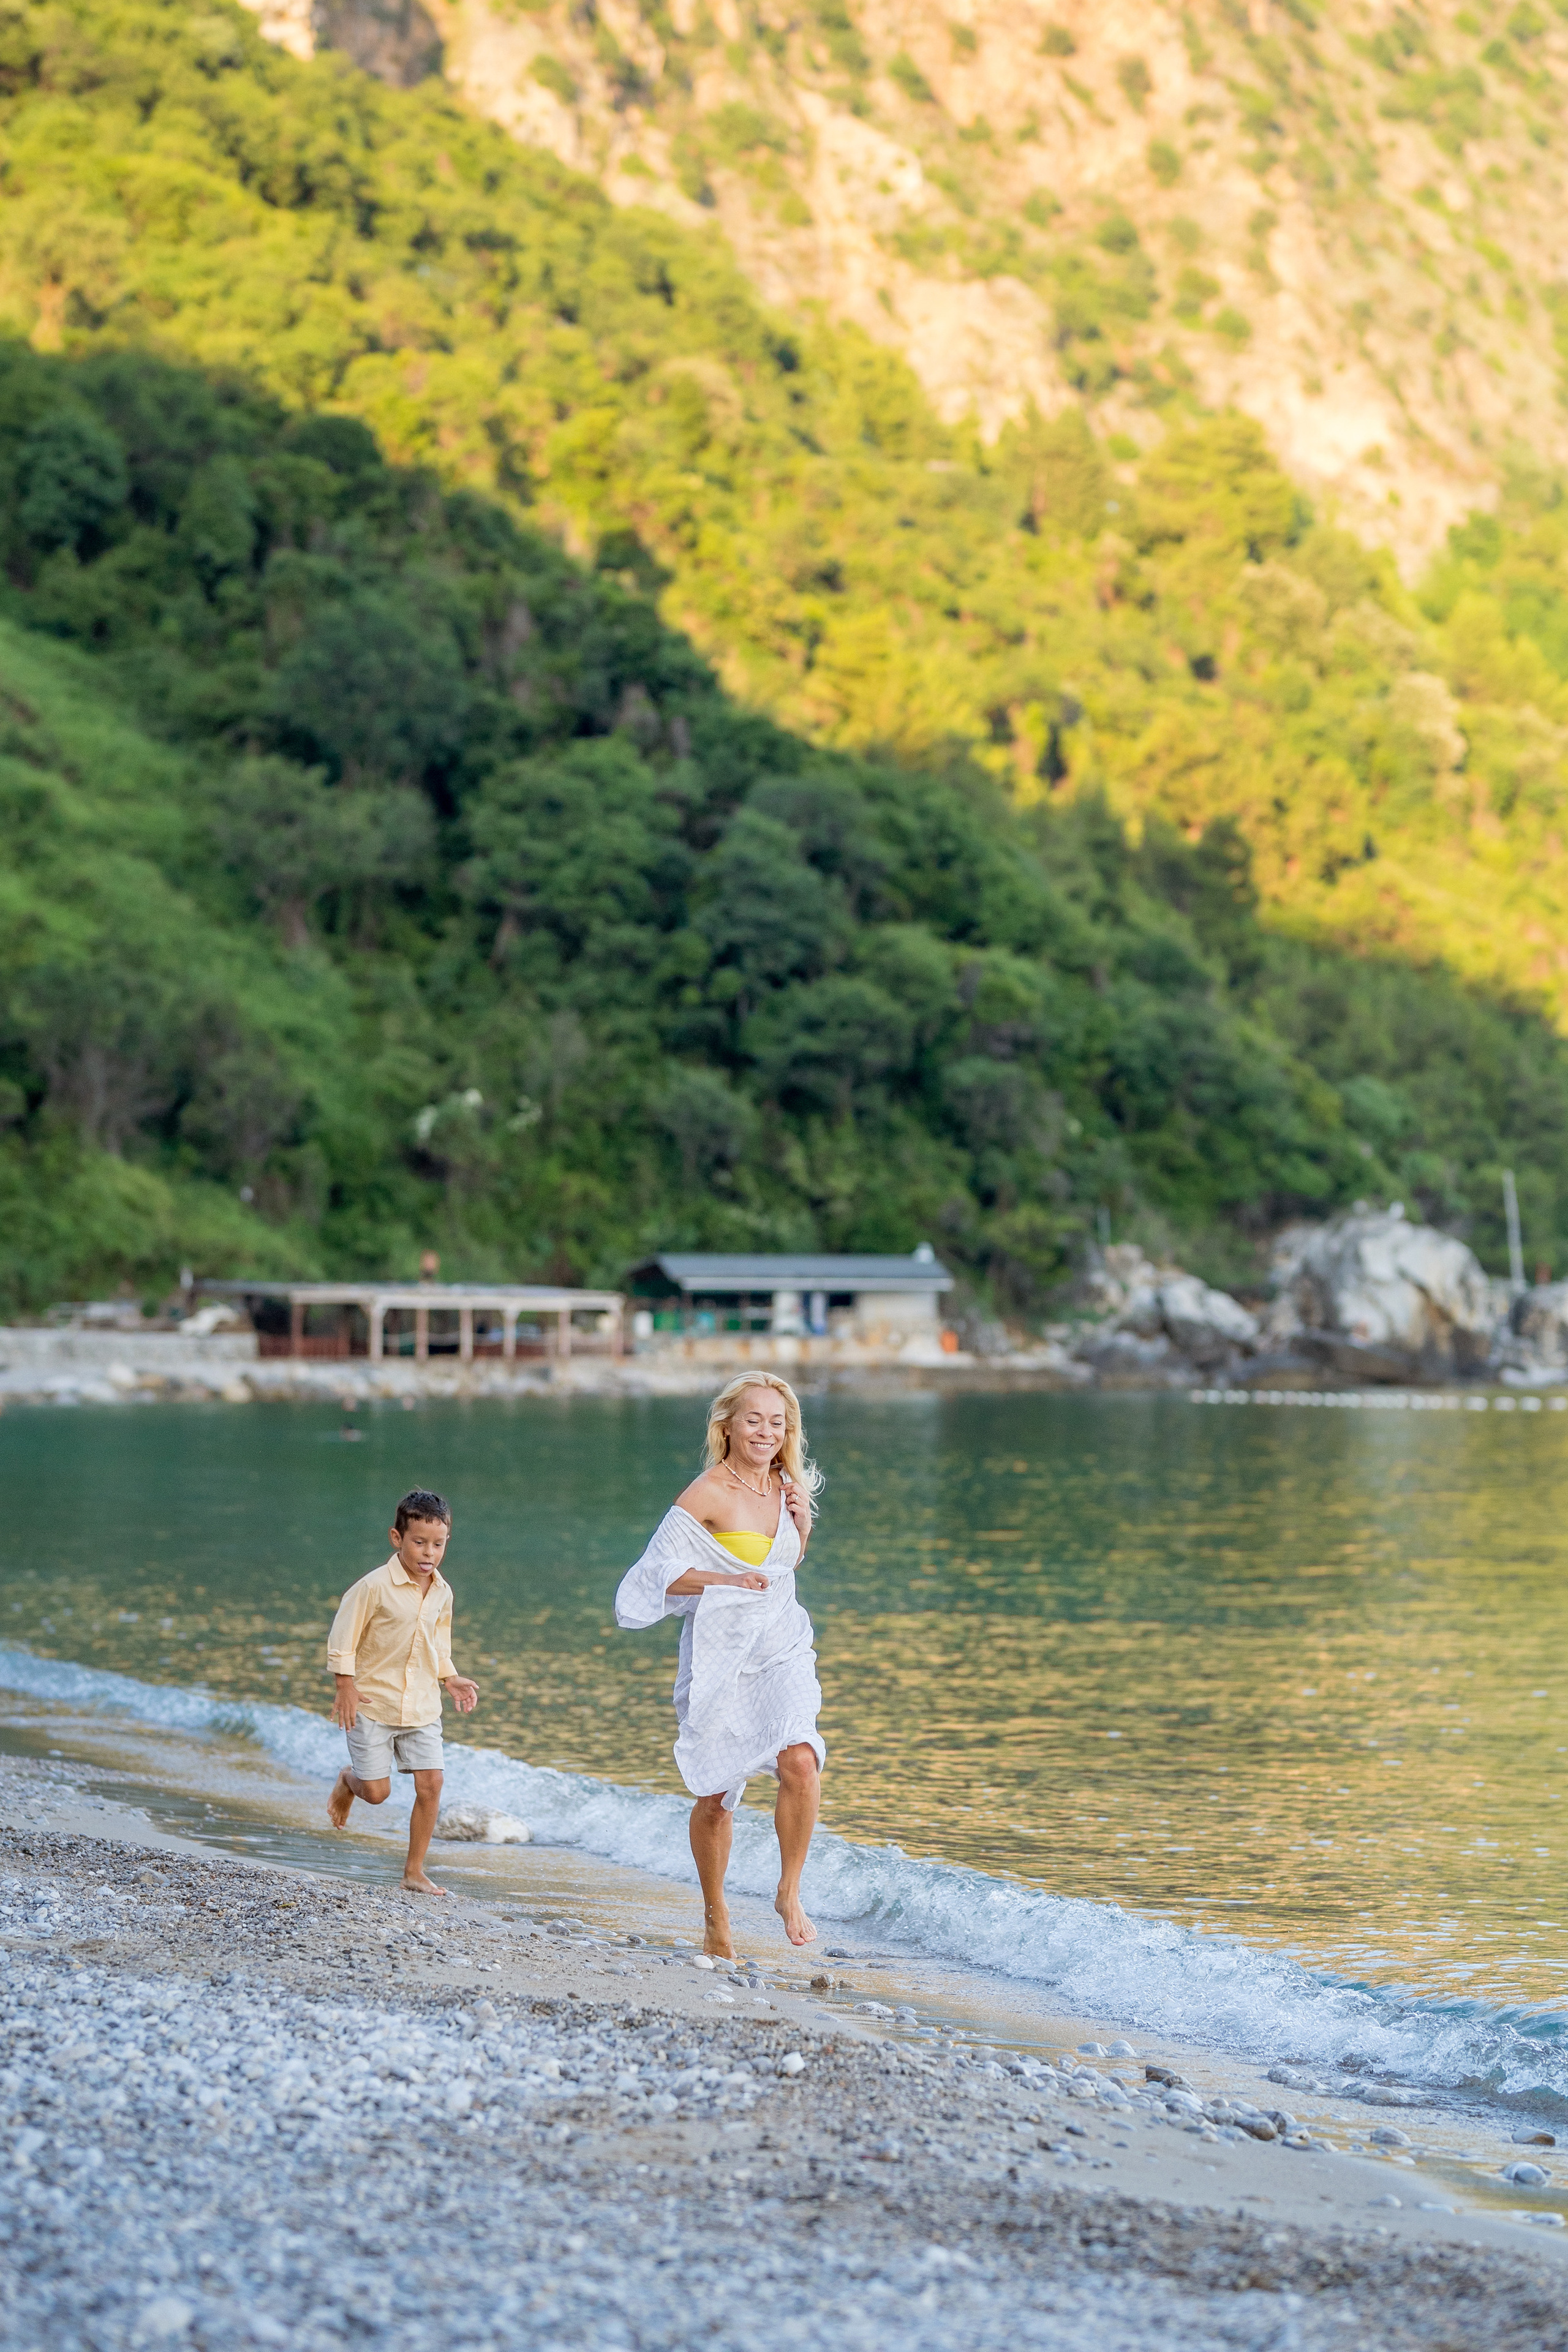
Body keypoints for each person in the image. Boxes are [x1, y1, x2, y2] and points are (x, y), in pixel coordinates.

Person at [615, 1374, 824, 1956]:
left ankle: (788, 1890)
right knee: (716, 1793)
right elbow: (652, 1578)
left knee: (802, 1761)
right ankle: (715, 1915)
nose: (766, 1432)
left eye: (777, 1422)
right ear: (727, 1424)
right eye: (753, 1419)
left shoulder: (786, 1486)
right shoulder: (706, 1491)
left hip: (782, 1642)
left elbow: (786, 1563)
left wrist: (802, 1524)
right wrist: (726, 1580)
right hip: (720, 1654)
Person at [325, 1488, 479, 1895]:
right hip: (373, 1702)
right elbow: (344, 1635)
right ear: (397, 1538)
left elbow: (437, 1643)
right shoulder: (373, 1587)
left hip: (423, 1706)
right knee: (377, 1793)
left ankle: (413, 1871)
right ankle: (347, 1781)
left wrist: (451, 1677)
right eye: (419, 1542)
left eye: (438, 1544)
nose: (429, 1552)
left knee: (432, 1783)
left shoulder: (443, 1592)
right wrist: (345, 1685)